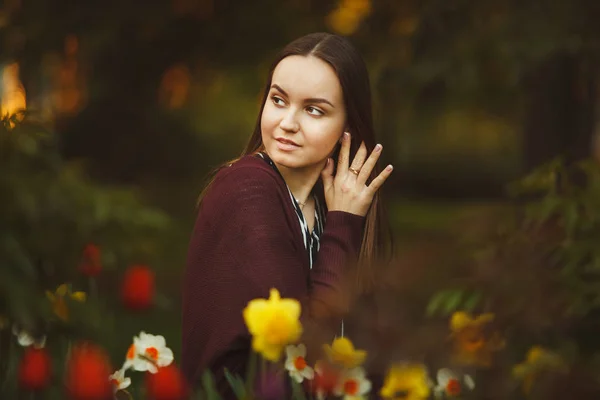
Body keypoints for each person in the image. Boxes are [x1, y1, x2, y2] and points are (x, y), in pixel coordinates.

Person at [181, 32, 393, 398]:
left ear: (348, 127)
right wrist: (344, 225)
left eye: (314, 109)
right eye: (279, 100)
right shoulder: (245, 189)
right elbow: (303, 349)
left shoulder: (335, 202)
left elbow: (359, 352)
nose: (288, 123)